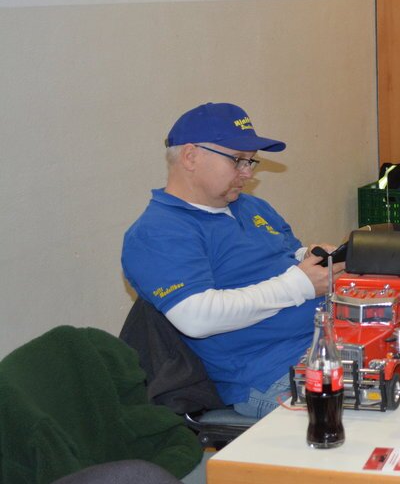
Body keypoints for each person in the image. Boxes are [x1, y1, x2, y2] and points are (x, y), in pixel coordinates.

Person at [121, 102, 343, 419]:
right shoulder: (158, 232)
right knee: (372, 427)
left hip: (329, 342)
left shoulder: (251, 206)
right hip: (272, 375)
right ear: (190, 156)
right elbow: (197, 317)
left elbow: (284, 255)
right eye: (238, 160)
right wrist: (300, 285)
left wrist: (309, 257)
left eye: (251, 161)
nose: (248, 173)